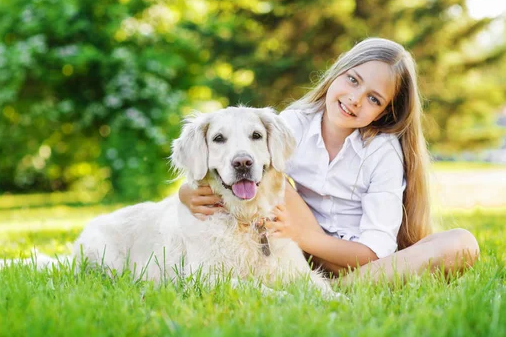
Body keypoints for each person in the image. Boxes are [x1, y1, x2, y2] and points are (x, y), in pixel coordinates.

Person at [178, 37, 479, 285]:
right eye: (353, 80)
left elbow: (374, 253)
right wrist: (186, 192)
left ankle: (338, 288)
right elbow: (242, 171)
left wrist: (306, 236)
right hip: (294, 252)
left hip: (364, 262)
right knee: (273, 175)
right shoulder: (295, 122)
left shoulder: (383, 153)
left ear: (385, 112)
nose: (356, 98)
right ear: (337, 72)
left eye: (374, 99)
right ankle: (324, 285)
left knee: (461, 244)